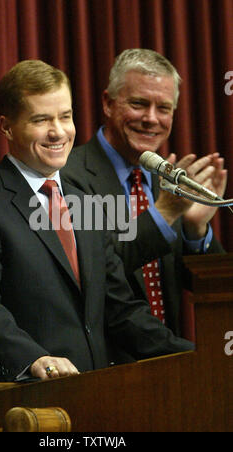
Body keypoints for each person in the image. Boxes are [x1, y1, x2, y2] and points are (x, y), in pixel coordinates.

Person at [0, 60, 194, 428]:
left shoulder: (83, 202)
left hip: (97, 404)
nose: (58, 132)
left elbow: (120, 310)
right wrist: (35, 359)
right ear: (6, 126)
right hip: (29, 409)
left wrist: (197, 355)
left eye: (65, 116)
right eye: (41, 120)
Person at [61, 48, 226, 335]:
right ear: (108, 103)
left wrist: (196, 229)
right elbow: (96, 273)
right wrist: (165, 213)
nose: (151, 118)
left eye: (163, 108)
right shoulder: (68, 176)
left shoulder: (164, 178)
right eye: (138, 104)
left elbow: (211, 288)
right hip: (105, 367)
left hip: (170, 359)